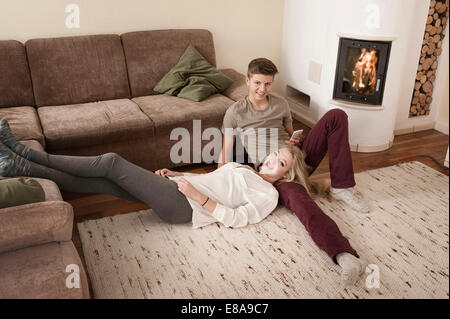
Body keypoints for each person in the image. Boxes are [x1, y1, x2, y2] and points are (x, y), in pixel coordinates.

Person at [0, 118, 323, 230]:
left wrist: (198, 197)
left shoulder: (267, 195)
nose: (270, 161)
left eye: (280, 164)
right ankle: (19, 166)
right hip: (178, 190)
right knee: (103, 182)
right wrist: (171, 177)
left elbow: (238, 219)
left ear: (286, 177)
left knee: (112, 162)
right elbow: (214, 178)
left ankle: (25, 153)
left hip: (184, 207)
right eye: (274, 155)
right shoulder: (245, 169)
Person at [217, 58, 369, 286]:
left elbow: (292, 133)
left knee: (336, 116)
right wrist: (219, 180)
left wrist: (295, 138)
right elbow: (225, 153)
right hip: (274, 174)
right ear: (247, 80)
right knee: (303, 204)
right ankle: (344, 255)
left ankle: (341, 188)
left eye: (268, 84)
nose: (262, 89)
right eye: (257, 83)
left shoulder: (280, 104)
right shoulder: (235, 112)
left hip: (295, 156)